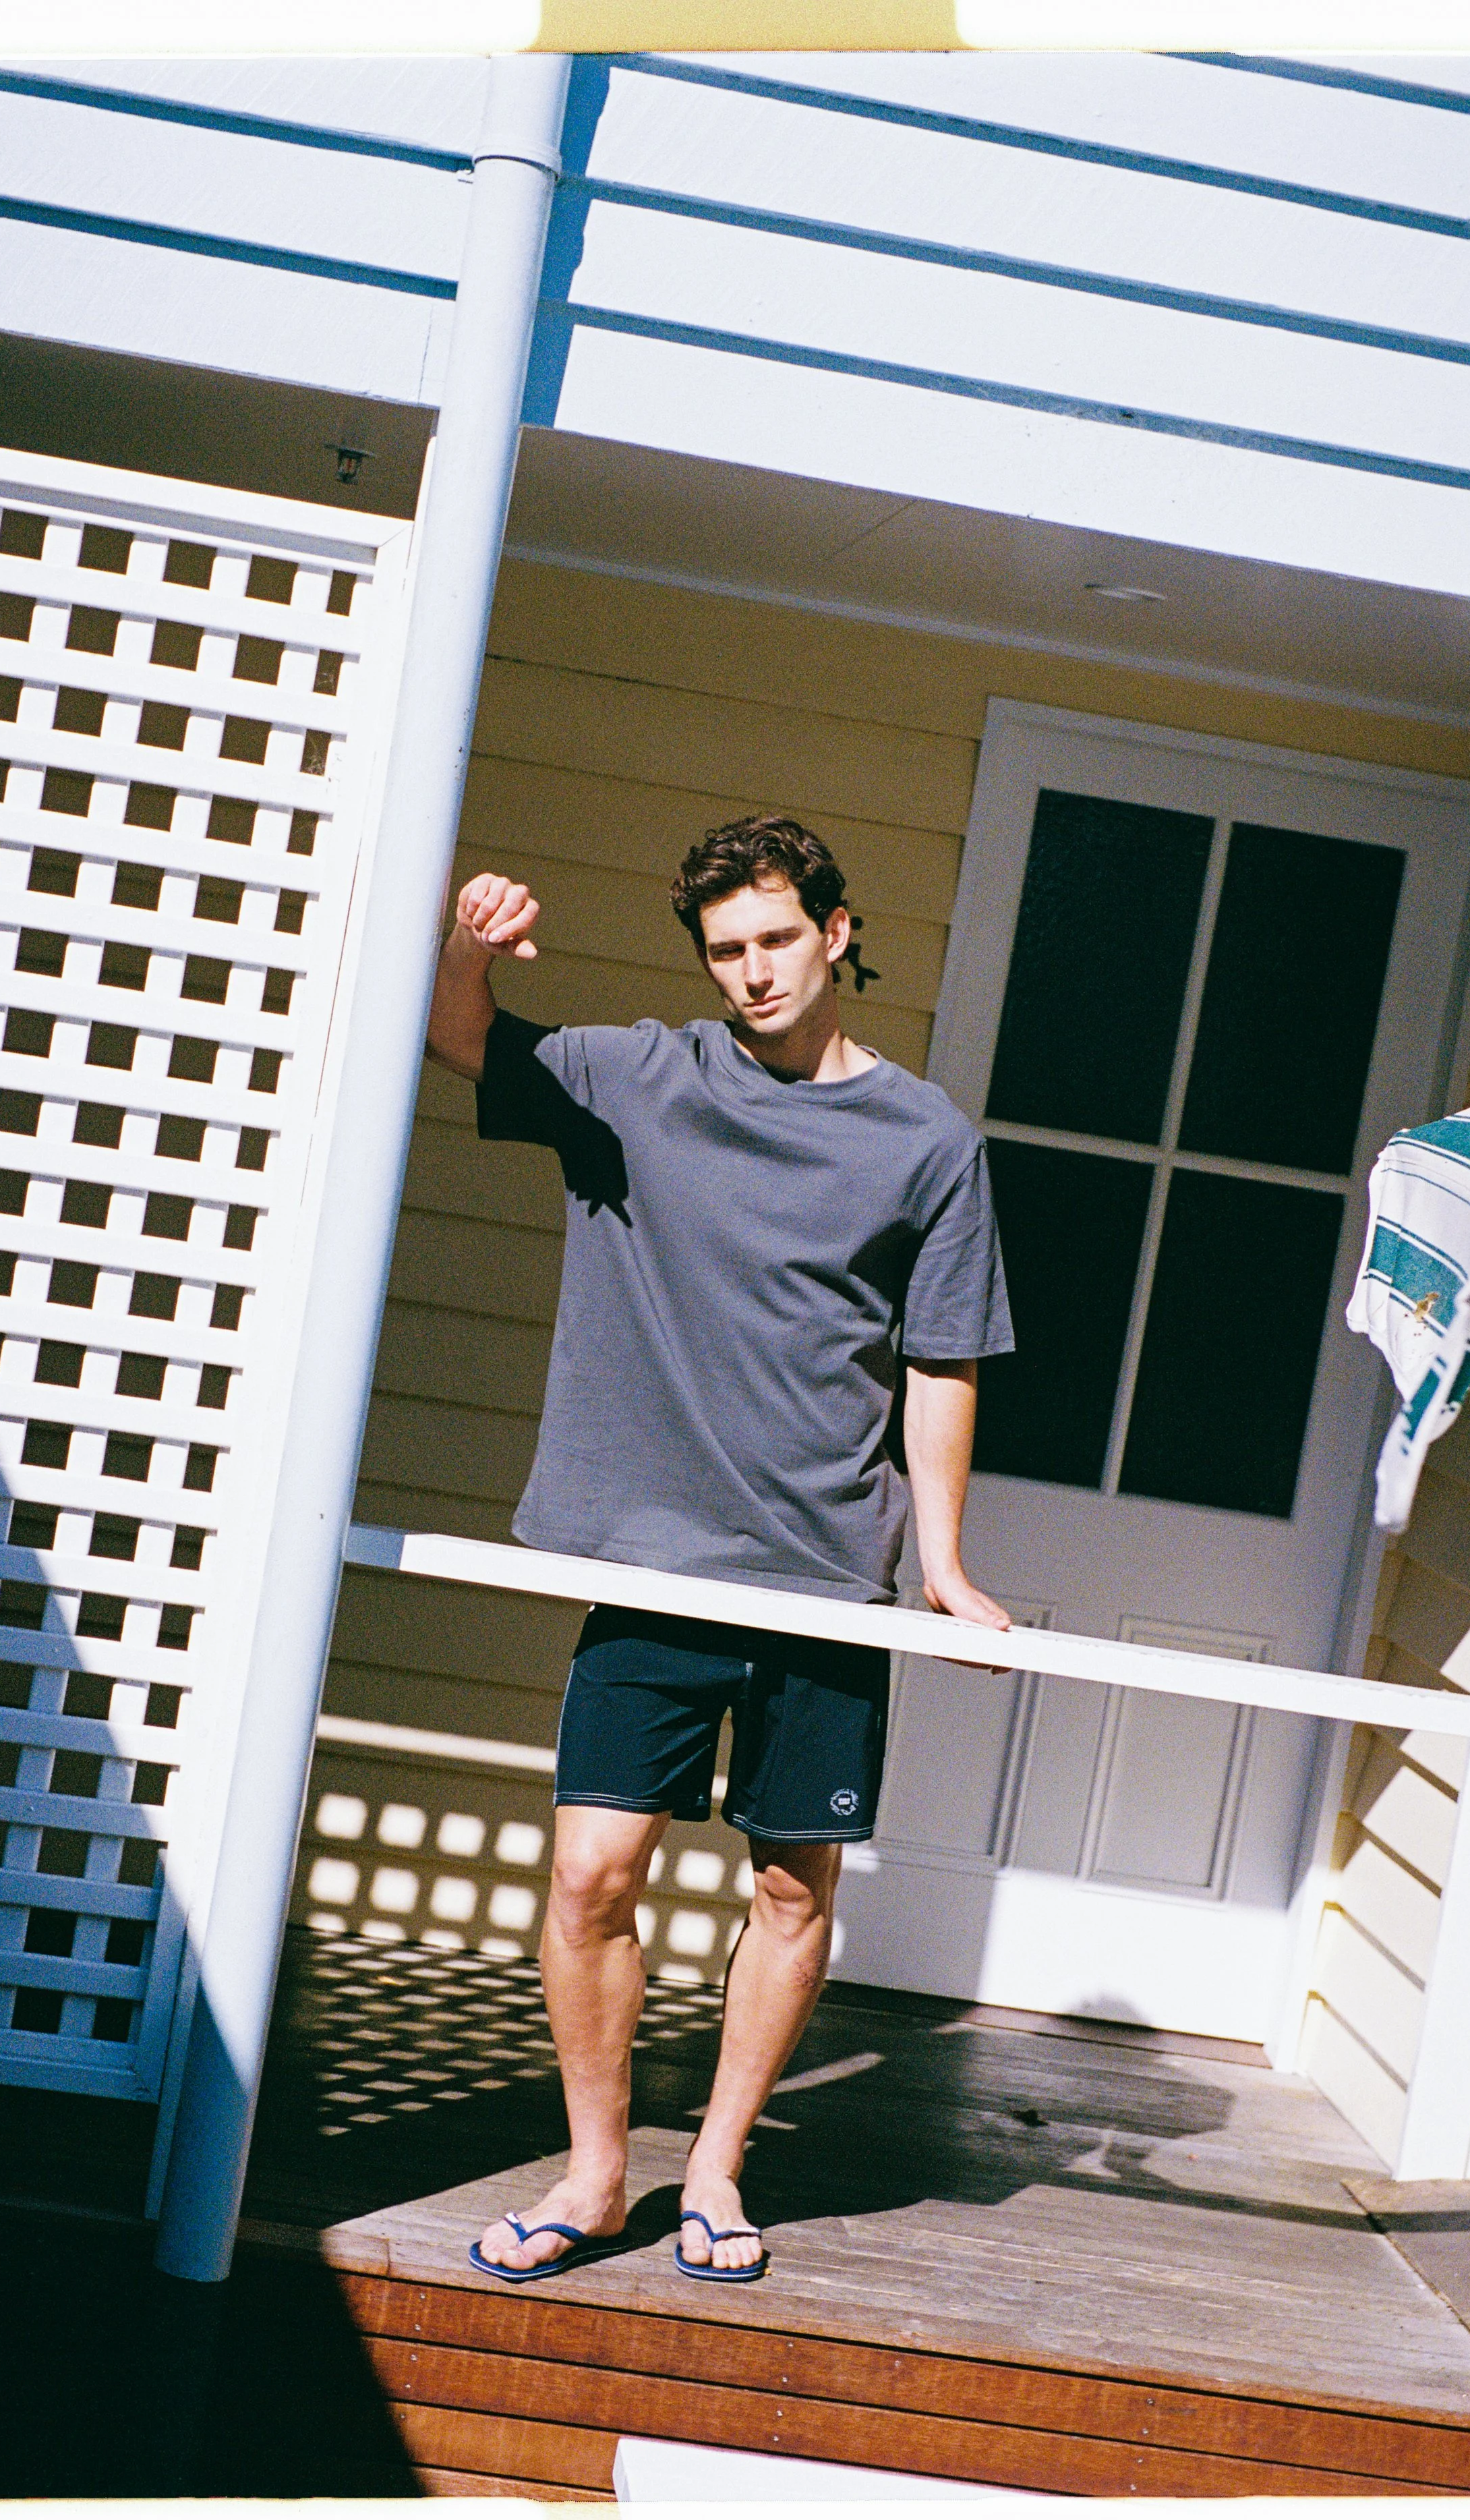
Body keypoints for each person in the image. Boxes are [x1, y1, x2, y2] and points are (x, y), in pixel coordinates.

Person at [425, 814, 1014, 2282]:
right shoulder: (639, 1078)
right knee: (590, 1875)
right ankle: (594, 2169)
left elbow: (942, 1358)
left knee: (790, 1884)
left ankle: (717, 2170)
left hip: (823, 1561)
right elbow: (461, 1039)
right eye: (725, 949)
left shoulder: (928, 1138)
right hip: (650, 1557)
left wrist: (939, 1560)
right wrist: (466, 947)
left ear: (833, 929)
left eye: (773, 938)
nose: (751, 972)